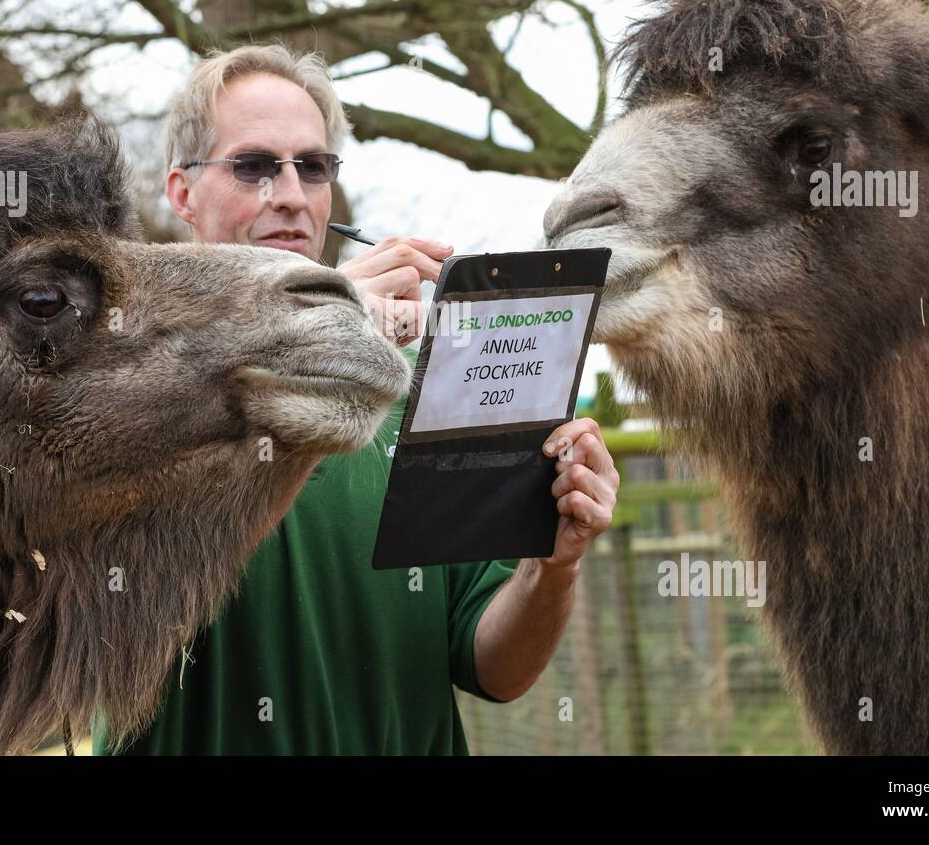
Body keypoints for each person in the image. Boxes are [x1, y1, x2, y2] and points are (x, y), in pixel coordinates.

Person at [94, 44, 619, 755]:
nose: (289, 193)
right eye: (254, 166)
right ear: (182, 193)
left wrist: (552, 568)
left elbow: (495, 669)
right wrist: (331, 356)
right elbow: (109, 632)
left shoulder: (425, 386)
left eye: (312, 167)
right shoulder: (120, 375)